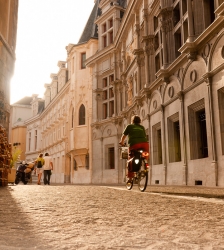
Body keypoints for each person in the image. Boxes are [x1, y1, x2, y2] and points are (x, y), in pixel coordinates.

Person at [119, 115, 149, 180]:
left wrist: (121, 142)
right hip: (144, 143)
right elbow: (145, 136)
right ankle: (145, 167)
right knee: (145, 155)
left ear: (132, 121)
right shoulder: (142, 127)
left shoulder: (129, 126)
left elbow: (124, 135)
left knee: (130, 159)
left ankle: (130, 178)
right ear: (139, 121)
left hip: (134, 144)